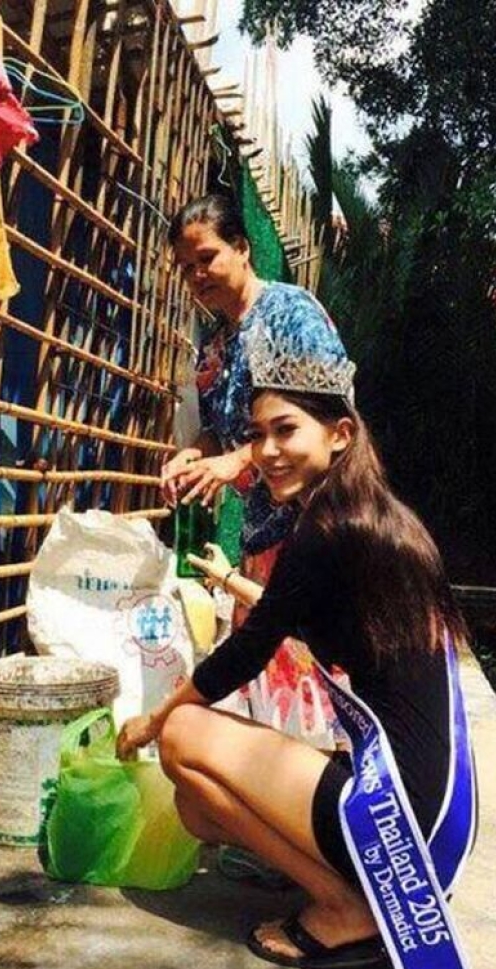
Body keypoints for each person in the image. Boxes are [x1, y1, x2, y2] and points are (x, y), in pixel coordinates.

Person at [117, 326, 476, 969]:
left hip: (399, 821)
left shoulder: (327, 529)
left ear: (339, 434)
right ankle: (340, 885)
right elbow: (295, 615)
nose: (266, 451)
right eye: (257, 435)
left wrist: (153, 719)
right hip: (430, 818)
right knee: (195, 805)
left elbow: (246, 651)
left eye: (285, 431)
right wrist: (231, 581)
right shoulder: (372, 519)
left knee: (184, 736)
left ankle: (345, 908)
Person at [162, 192, 351, 750]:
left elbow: (319, 419)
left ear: (242, 248)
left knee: (317, 672)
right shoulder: (216, 344)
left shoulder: (291, 314)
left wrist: (237, 460)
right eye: (186, 267)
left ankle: (331, 786)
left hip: (313, 527)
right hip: (261, 534)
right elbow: (218, 430)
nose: (197, 275)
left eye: (207, 257)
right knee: (270, 687)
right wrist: (195, 453)